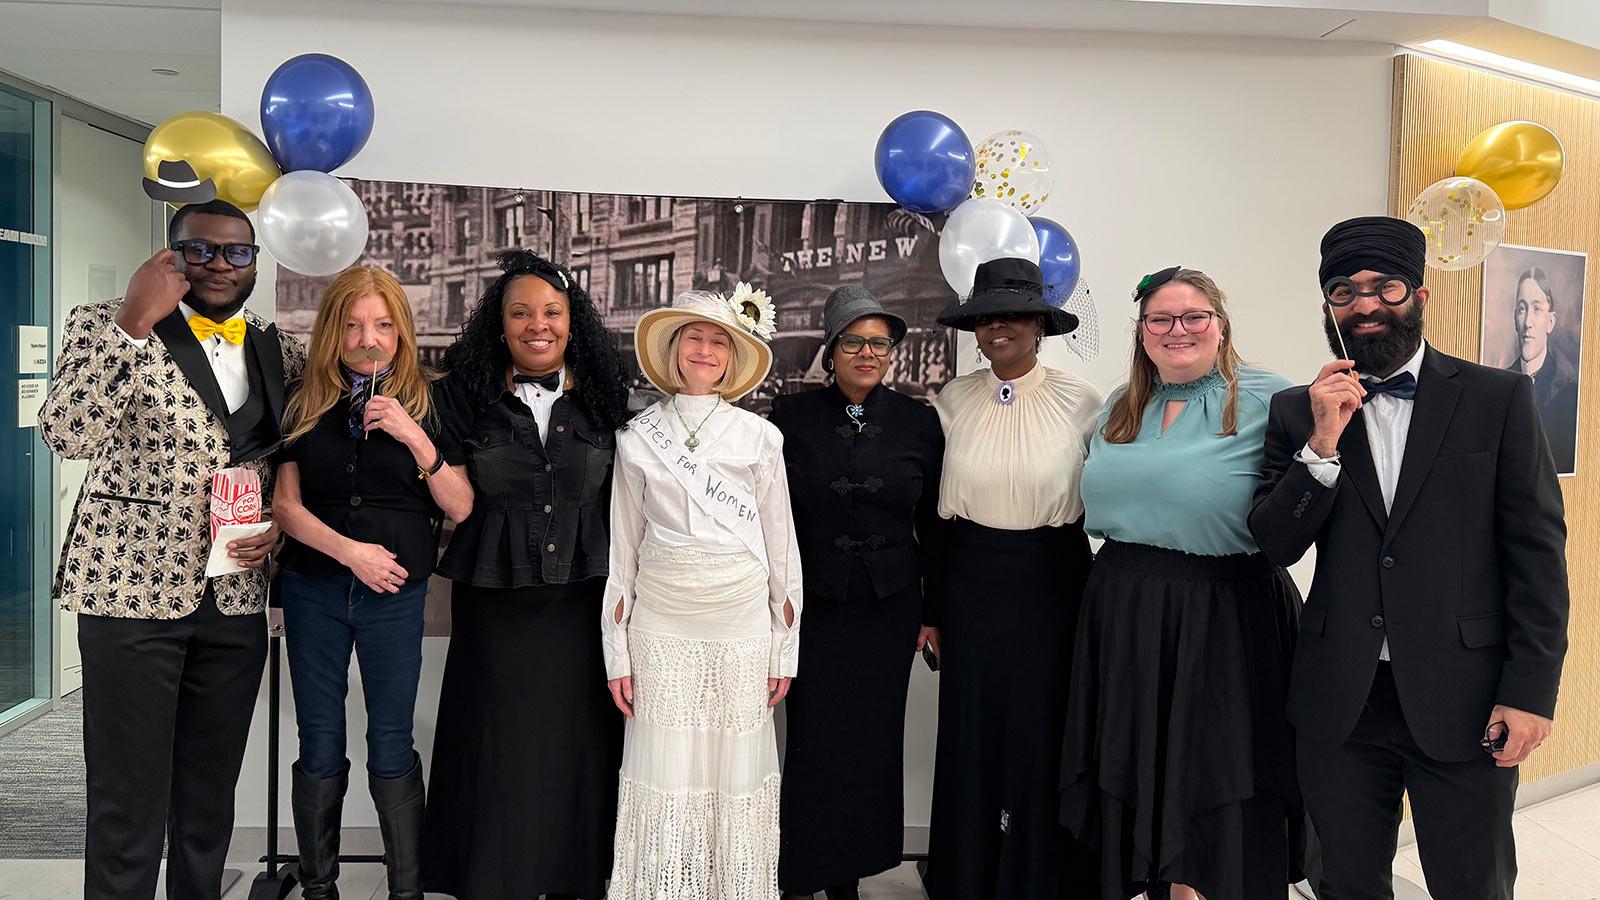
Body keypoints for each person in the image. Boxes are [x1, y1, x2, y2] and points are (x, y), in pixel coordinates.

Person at [1250, 216, 1570, 900]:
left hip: (1467, 696)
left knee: (1472, 882)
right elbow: (1276, 545)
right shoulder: (1294, 412)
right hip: (1341, 700)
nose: (1365, 304)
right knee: (1342, 881)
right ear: (1329, 308)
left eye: (1384, 286)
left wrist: (1530, 691)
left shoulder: (1497, 400)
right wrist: (1321, 448)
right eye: (1344, 291)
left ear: (1419, 296)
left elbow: (1537, 556)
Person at [38, 198, 305, 900]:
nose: (219, 263)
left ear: (255, 262)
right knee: (128, 797)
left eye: (236, 251)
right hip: (129, 591)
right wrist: (133, 321)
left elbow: (284, 454)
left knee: (209, 797)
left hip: (235, 592)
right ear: (171, 253)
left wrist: (280, 518)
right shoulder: (107, 322)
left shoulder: (276, 346)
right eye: (201, 249)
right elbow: (67, 434)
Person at [1060, 266, 1303, 900]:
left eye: (1194, 317)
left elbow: (1318, 493)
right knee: (1135, 763)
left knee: (1210, 770)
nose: (1178, 330)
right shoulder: (1120, 403)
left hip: (1223, 611)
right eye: (1161, 319)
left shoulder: (1272, 400)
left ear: (1221, 327)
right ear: (1141, 333)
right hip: (1124, 605)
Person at [421, 251, 632, 900]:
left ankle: (574, 882)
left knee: (578, 753)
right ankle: (493, 881)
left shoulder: (605, 394)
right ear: (500, 324)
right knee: (497, 754)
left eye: (552, 312)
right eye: (521, 313)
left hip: (583, 604)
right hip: (496, 605)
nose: (537, 325)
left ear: (573, 322)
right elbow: (451, 494)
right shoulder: (462, 393)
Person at [272, 266, 473, 900]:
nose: (369, 339)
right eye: (354, 325)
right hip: (315, 589)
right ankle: (318, 887)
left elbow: (461, 505)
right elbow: (284, 506)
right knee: (320, 739)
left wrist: (414, 437)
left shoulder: (434, 404)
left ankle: (406, 891)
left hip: (396, 598)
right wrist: (349, 552)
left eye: (383, 325)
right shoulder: (303, 402)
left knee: (391, 738)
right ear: (333, 330)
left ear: (401, 333)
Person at [601, 287, 802, 899]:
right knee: (664, 764)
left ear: (735, 357)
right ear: (673, 348)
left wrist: (782, 649)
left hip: (741, 627)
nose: (706, 350)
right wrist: (618, 653)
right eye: (695, 337)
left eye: (720, 341)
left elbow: (782, 550)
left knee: (733, 769)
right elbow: (622, 555)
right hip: (661, 626)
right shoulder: (636, 438)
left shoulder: (761, 439)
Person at [924, 258, 1104, 899]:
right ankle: (966, 873)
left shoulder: (1083, 401)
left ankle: (1037, 874)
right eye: (984, 316)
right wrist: (934, 610)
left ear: (1039, 324)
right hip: (969, 583)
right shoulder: (951, 399)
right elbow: (935, 517)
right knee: (970, 728)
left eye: (1013, 313)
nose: (998, 326)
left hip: (1051, 582)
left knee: (1043, 728)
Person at [768, 285, 945, 900]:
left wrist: (933, 612)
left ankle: (858, 870)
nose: (867, 353)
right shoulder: (789, 421)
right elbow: (771, 521)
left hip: (890, 608)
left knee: (872, 744)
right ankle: (810, 873)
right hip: (814, 605)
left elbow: (938, 525)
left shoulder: (920, 421)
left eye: (879, 342)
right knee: (816, 742)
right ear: (831, 349)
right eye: (853, 341)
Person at [1503, 266, 1579, 473]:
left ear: (1550, 322)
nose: (1528, 322)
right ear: (1514, 319)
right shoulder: (1498, 385)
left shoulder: (1569, 394)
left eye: (1537, 309)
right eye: (1522, 308)